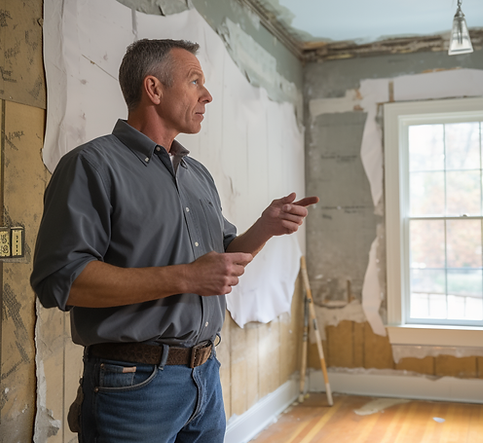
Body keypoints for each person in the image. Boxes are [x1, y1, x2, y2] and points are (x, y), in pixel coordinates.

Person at [30, 38, 318, 443]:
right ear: (154, 89)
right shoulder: (90, 166)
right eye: (195, 80)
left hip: (205, 377)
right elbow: (61, 281)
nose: (208, 94)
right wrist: (184, 277)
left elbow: (220, 263)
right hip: (132, 386)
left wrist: (264, 228)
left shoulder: (196, 174)